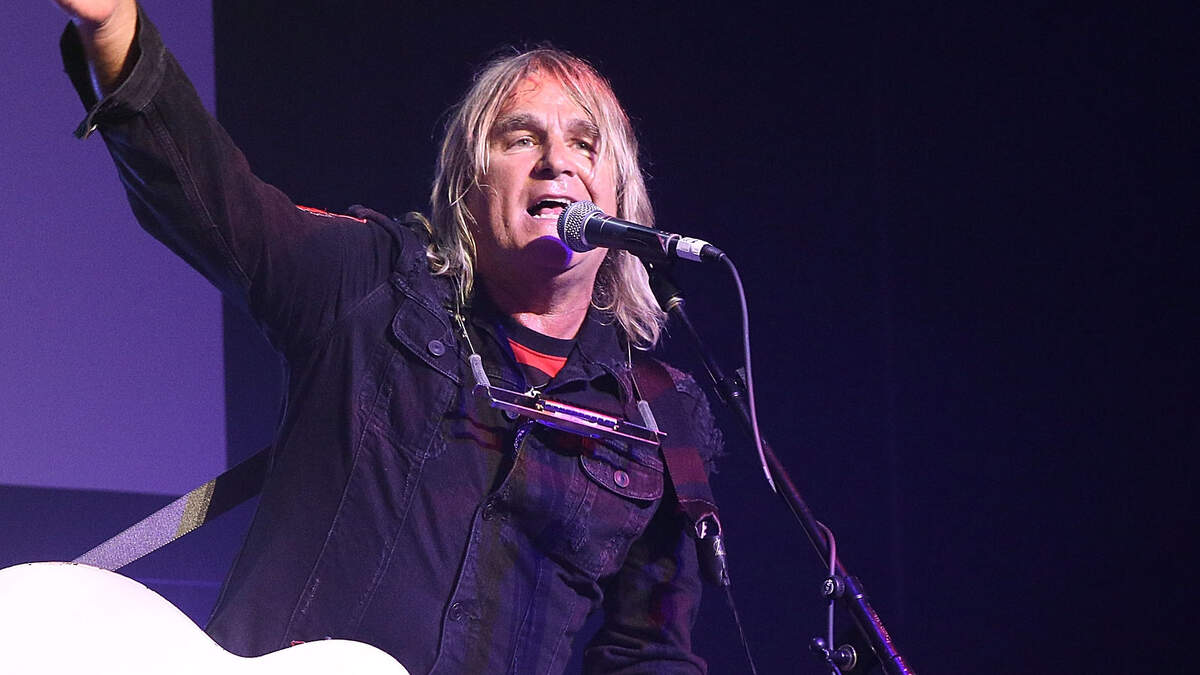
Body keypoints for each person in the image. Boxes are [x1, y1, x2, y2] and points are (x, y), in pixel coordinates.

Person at [53, 1, 723, 672]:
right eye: (521, 138)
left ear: (621, 197)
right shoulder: (373, 285)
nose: (557, 162)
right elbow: (215, 203)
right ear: (467, 186)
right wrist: (112, 28)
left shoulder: (660, 414)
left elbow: (650, 651)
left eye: (585, 143)